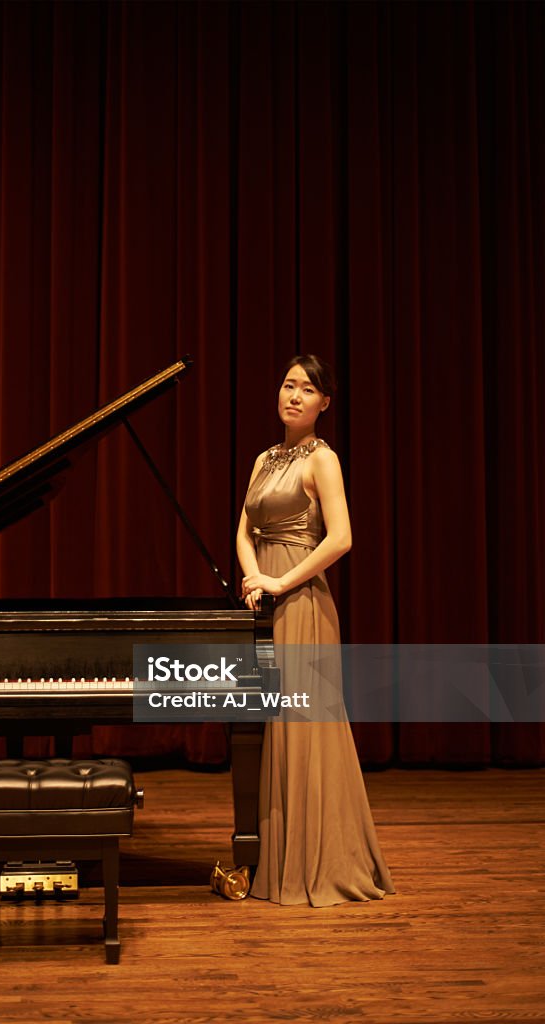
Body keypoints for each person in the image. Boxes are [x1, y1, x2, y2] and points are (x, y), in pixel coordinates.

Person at [236, 354, 394, 906]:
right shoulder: (263, 459)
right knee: (273, 727)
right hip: (266, 598)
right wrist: (254, 574)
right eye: (287, 385)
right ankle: (275, 858)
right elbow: (244, 528)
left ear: (324, 403)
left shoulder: (323, 460)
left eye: (307, 389)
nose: (294, 395)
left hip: (303, 602)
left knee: (303, 726)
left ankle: (319, 860)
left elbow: (341, 538)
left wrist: (279, 582)